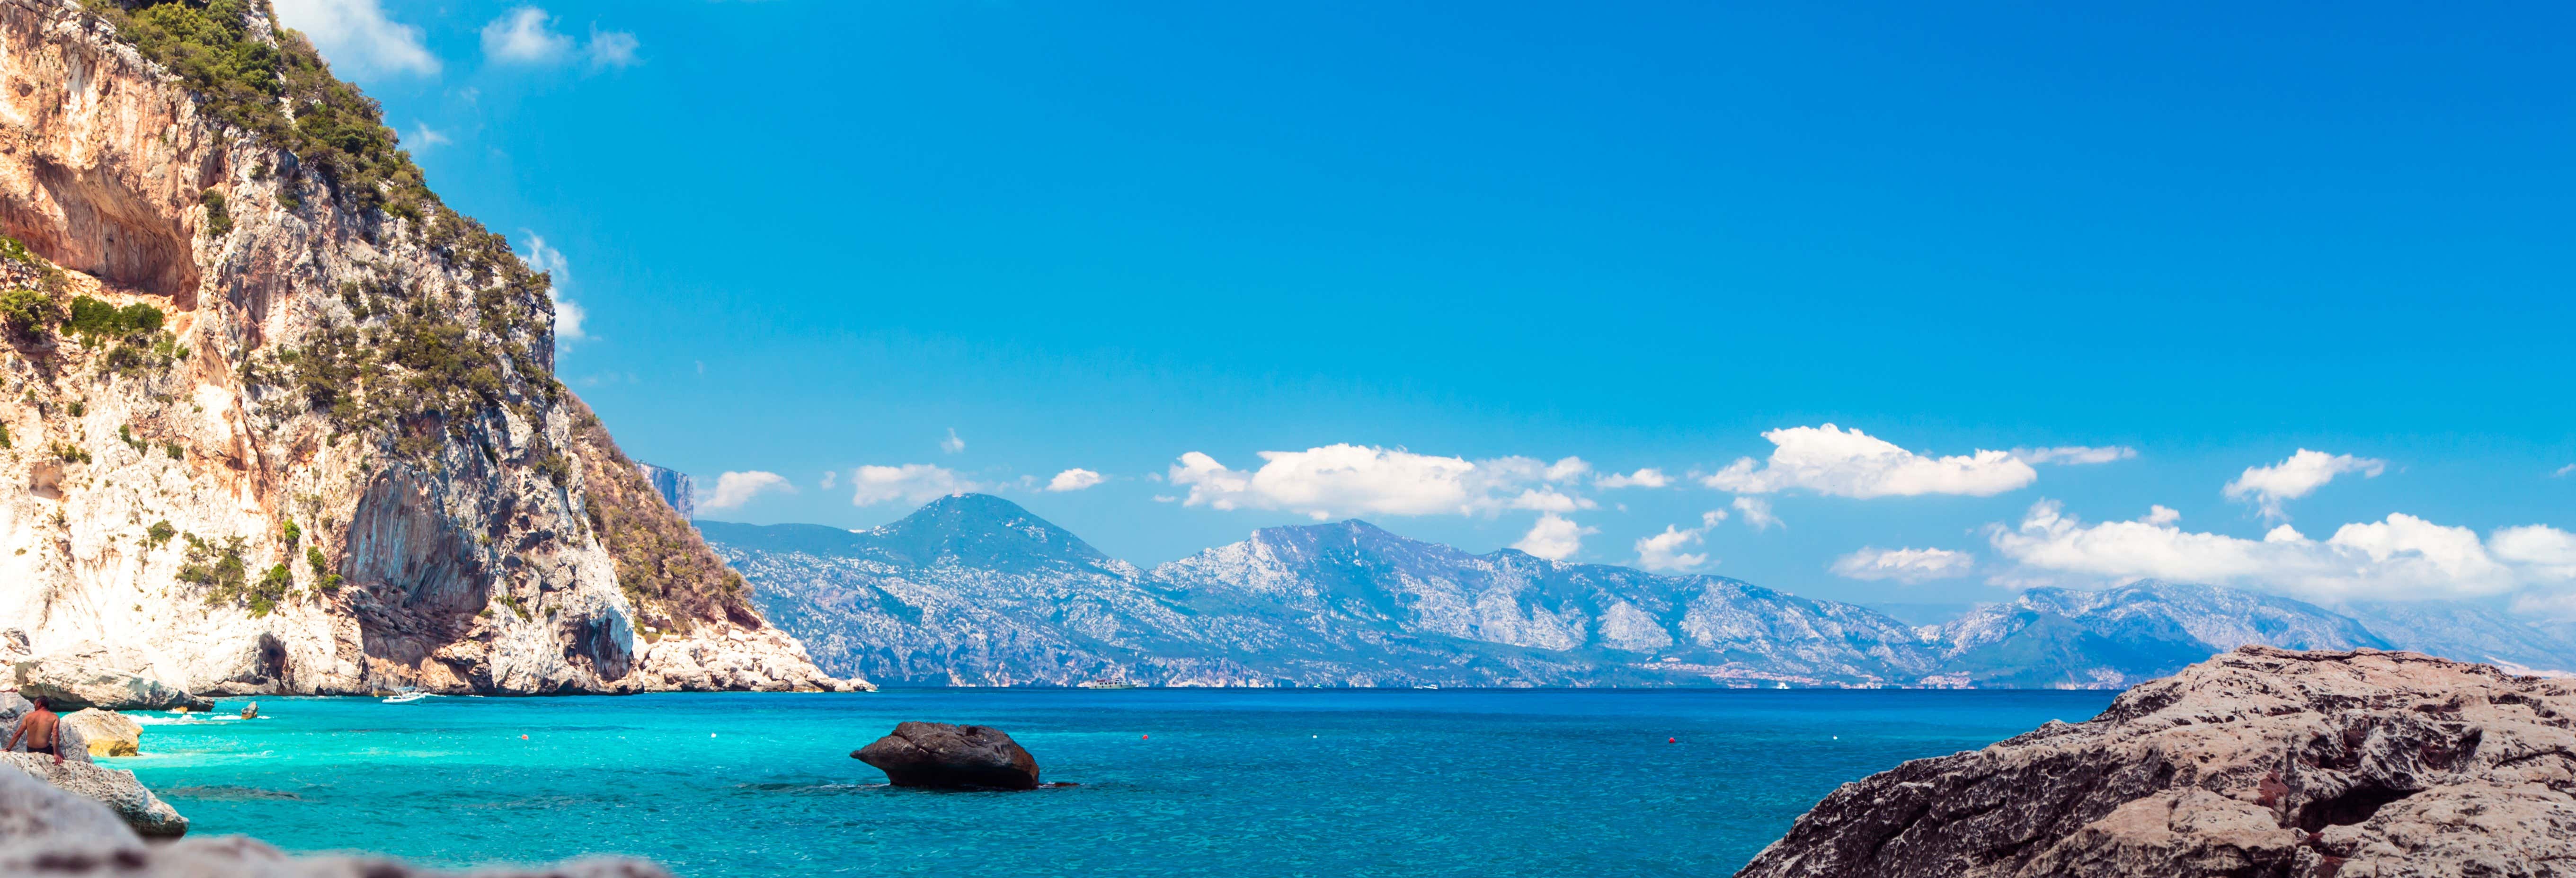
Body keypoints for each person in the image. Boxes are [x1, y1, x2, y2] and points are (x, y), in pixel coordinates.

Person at [8, 697, 62, 764]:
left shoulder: (29, 716)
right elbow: (56, 735)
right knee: (61, 755)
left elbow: (18, 734)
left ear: (39, 704)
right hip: (44, 750)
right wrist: (56, 754)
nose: (34, 706)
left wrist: (8, 749)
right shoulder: (54, 717)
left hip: (30, 750)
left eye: (35, 704)